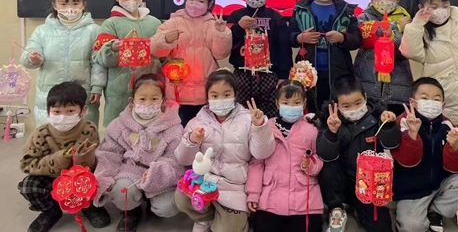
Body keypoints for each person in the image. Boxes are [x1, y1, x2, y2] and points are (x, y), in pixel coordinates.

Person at [174, 69, 276, 232]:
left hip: (234, 187)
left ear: (235, 94)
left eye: (226, 94)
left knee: (228, 228)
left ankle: (224, 219)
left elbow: (262, 153)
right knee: (181, 197)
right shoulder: (196, 122)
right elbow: (183, 159)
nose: (220, 100)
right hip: (205, 182)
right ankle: (205, 218)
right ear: (207, 96)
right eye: (214, 96)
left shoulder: (248, 119)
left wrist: (260, 127)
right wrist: (191, 140)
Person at [94, 73, 183, 232]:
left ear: (163, 100)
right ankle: (132, 211)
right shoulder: (119, 125)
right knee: (121, 193)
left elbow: (175, 158)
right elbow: (109, 153)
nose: (148, 103)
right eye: (142, 99)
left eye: (154, 99)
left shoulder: (173, 126)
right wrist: (103, 178)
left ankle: (151, 203)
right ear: (132, 101)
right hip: (129, 171)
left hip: (158, 174)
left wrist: (157, 172)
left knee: (167, 207)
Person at [18, 82, 111, 232]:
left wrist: (83, 159)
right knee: (29, 186)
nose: (62, 117)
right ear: (48, 111)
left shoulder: (89, 129)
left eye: (70, 111)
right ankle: (51, 211)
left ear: (83, 110)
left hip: (82, 178)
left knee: (102, 178)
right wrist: (57, 160)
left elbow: (97, 162)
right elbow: (26, 164)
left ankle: (89, 206)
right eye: (56, 111)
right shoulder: (40, 133)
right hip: (52, 178)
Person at [390, 77, 458, 232]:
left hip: (439, 183)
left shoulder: (448, 125)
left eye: (436, 99)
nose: (431, 102)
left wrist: (455, 148)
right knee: (412, 227)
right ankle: (408, 212)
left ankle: (436, 211)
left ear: (443, 105)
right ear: (412, 102)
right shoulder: (402, 122)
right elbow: (406, 160)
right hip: (411, 191)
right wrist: (412, 135)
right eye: (424, 98)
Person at [316, 75, 400, 232]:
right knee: (326, 166)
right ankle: (337, 209)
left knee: (381, 227)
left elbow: (392, 144)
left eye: (358, 103)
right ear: (336, 105)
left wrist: (389, 125)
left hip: (369, 184)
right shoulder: (330, 120)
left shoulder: (378, 116)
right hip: (342, 181)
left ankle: (360, 209)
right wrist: (332, 132)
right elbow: (325, 154)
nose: (354, 109)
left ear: (365, 98)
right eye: (346, 106)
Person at [20, 0, 106, 126]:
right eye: (64, 4)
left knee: (82, 134)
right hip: (49, 95)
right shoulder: (42, 31)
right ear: (55, 5)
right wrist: (33, 59)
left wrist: (97, 87)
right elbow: (26, 57)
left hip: (82, 94)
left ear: (83, 5)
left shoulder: (94, 31)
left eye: (75, 3)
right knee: (48, 135)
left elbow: (98, 63)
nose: (69, 8)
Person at [151, 0, 232, 126]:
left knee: (205, 131)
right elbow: (156, 50)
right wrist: (165, 39)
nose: (194, 4)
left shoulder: (212, 24)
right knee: (179, 131)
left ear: (209, 3)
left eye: (201, 1)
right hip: (178, 92)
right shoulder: (173, 22)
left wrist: (221, 33)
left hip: (206, 92)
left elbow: (220, 53)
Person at [246, 80, 324, 232]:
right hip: (270, 200)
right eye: (286, 103)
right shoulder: (266, 127)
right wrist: (253, 194)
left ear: (304, 103)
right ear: (277, 104)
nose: (291, 107)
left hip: (306, 202)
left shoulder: (312, 129)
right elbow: (257, 163)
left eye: (297, 103)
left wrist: (311, 165)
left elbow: (319, 157)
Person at [289, 0, 361, 112]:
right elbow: (288, 37)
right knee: (310, 111)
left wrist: (342, 37)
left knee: (338, 110)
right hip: (307, 72)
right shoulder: (300, 10)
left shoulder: (346, 11)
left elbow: (357, 39)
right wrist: (299, 38)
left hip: (338, 71)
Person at [93, 0, 162, 126]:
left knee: (151, 128)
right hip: (120, 89)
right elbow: (100, 58)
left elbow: (163, 56)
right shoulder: (110, 24)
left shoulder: (155, 23)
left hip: (151, 87)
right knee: (118, 129)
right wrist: (112, 48)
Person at [227, 0, 292, 118]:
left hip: (270, 76)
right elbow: (226, 44)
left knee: (271, 116)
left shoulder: (276, 18)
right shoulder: (235, 16)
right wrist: (239, 27)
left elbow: (284, 49)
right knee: (241, 116)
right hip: (242, 75)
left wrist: (283, 76)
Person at [353, 0, 413, 114]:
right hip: (367, 83)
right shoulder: (364, 17)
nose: (384, 0)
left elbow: (405, 49)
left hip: (398, 85)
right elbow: (364, 35)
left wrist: (393, 34)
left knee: (395, 123)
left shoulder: (406, 19)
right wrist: (396, 27)